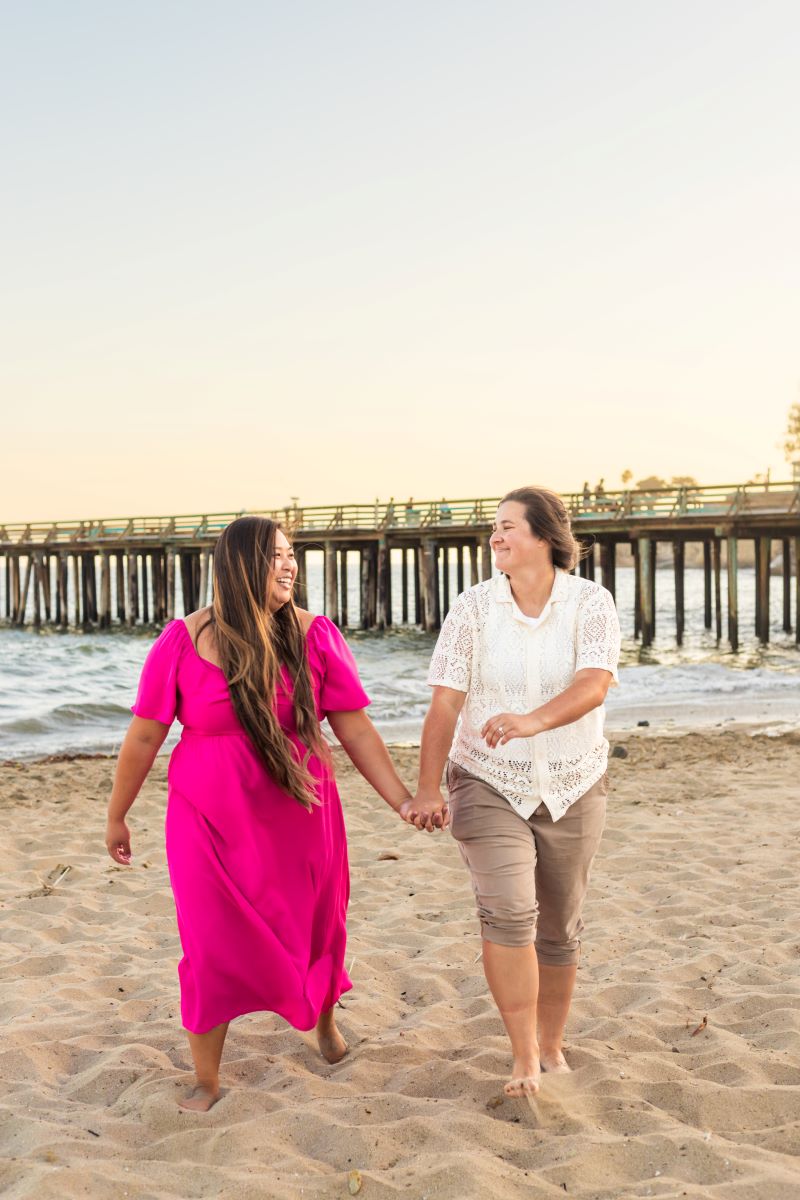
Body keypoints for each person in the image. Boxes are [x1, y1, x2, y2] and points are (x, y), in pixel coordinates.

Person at [106, 516, 413, 1111]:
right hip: (207, 820)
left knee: (318, 924)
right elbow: (144, 737)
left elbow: (353, 727)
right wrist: (118, 814)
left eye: (292, 553)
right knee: (210, 942)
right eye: (276, 555)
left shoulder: (314, 635)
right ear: (241, 563)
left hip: (300, 813)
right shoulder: (182, 640)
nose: (290, 564)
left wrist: (400, 798)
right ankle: (207, 1079)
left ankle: (321, 1024)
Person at [402, 486, 621, 1098]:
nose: (495, 537)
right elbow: (445, 700)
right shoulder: (472, 609)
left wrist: (531, 720)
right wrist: (427, 789)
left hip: (575, 780)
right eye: (492, 528)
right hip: (488, 779)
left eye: (507, 527)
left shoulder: (591, 604)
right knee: (508, 912)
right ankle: (524, 1055)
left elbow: (595, 684)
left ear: (546, 537)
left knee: (559, 926)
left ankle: (552, 1046)